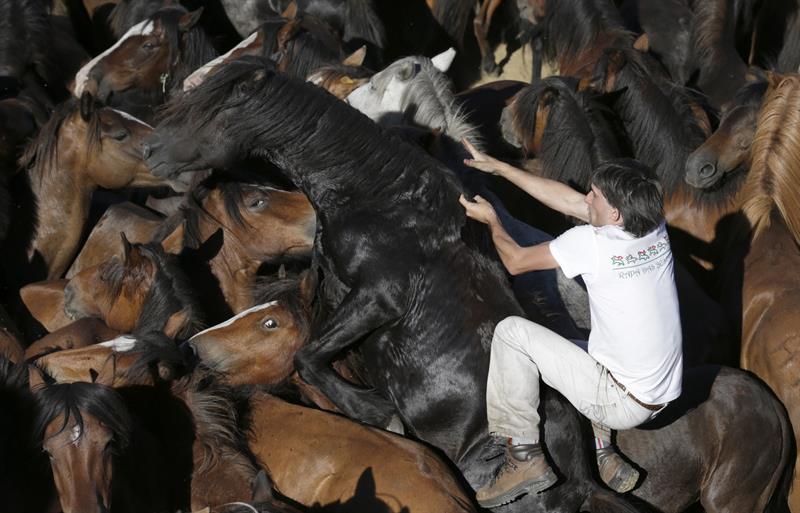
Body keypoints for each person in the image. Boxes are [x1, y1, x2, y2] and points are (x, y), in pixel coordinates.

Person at [458, 140, 683, 507]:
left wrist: (493, 220)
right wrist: (501, 168)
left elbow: (515, 261)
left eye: (595, 195)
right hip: (661, 391)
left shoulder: (591, 244)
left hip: (621, 399)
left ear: (615, 215)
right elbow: (569, 201)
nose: (586, 199)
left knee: (512, 333)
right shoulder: (653, 226)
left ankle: (524, 457)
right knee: (570, 338)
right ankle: (603, 449)